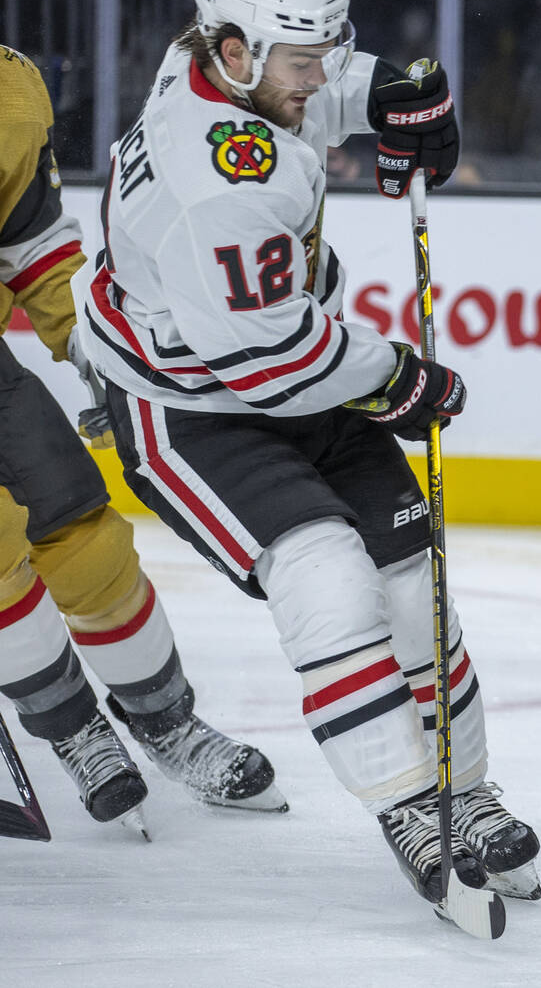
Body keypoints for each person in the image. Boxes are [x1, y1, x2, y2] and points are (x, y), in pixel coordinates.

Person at [70, 0, 540, 908]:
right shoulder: (217, 182)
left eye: (333, 47)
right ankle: (409, 800)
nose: (320, 73)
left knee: (414, 580)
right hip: (195, 407)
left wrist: (393, 96)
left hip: (289, 367)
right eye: (304, 59)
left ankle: (469, 785)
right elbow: (272, 357)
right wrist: (399, 377)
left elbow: (317, 77)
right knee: (326, 570)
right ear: (235, 51)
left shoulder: (214, 59)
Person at [0, 43, 285, 827]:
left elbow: (31, 245)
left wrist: (93, 344)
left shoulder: (9, 93)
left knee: (87, 540)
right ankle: (77, 732)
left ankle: (166, 722)